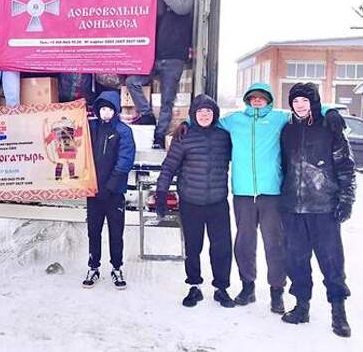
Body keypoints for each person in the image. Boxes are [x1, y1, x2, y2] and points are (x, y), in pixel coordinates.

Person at [175, 82, 345, 313]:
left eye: (261, 97)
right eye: (253, 98)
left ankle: (277, 291)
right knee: (244, 244)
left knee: (274, 244)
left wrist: (329, 111)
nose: (257, 101)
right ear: (247, 100)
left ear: (269, 100)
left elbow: (304, 109)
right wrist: (185, 122)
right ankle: (248, 287)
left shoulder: (279, 118)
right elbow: (206, 119)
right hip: (243, 193)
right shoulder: (234, 120)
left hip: (271, 193)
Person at [279, 83, 355, 338]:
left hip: (323, 206)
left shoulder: (330, 126)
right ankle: (301, 307)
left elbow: (345, 166)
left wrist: (346, 199)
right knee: (296, 261)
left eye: (305, 100)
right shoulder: (287, 130)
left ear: (314, 102)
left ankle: (339, 312)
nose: (300, 105)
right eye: (295, 101)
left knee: (332, 262)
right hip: (292, 207)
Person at [155, 94, 235, 308]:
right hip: (191, 202)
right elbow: (169, 166)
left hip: (218, 201)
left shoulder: (224, 136)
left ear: (214, 114)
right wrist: (161, 193)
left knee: (222, 247)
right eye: (200, 112)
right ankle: (194, 287)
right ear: (194, 114)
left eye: (208, 111)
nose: (204, 115)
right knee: (193, 247)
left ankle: (221, 288)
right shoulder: (184, 135)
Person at [125, 0, 193, 149]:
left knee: (167, 100)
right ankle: (146, 115)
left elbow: (180, 7)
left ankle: (159, 136)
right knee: (132, 82)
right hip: (154, 57)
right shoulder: (156, 1)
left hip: (174, 59)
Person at [82, 91, 136, 290]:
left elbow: (125, 160)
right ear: (97, 110)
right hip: (93, 191)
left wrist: (111, 186)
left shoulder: (123, 131)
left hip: (114, 193)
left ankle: (116, 267)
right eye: (102, 109)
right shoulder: (91, 127)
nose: (105, 113)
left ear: (116, 111)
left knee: (116, 232)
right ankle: (93, 266)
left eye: (109, 109)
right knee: (93, 231)